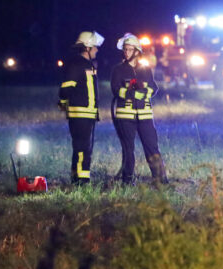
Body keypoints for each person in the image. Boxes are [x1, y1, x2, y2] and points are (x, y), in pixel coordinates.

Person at [110, 33, 167, 184]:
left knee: (152, 148)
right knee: (128, 150)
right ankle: (127, 180)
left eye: (129, 49)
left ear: (137, 51)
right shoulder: (118, 70)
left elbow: (154, 88)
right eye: (125, 49)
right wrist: (132, 93)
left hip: (145, 116)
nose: (126, 52)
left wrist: (142, 93)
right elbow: (116, 90)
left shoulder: (145, 69)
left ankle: (161, 180)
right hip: (125, 116)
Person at [59, 31, 104, 185]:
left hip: (88, 114)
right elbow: (65, 88)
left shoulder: (88, 64)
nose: (97, 50)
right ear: (87, 48)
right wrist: (63, 102)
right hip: (80, 114)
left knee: (85, 149)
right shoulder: (76, 64)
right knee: (82, 148)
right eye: (95, 47)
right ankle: (80, 181)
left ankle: (80, 178)